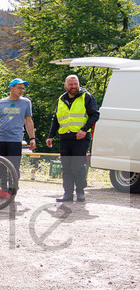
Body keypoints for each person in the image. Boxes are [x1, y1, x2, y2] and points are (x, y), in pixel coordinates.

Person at [46, 74, 100, 203]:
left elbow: (95, 115)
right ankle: (68, 194)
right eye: (70, 84)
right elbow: (56, 119)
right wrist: (50, 136)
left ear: (79, 84)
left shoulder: (87, 97)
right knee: (66, 167)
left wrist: (84, 129)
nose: (73, 87)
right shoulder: (61, 99)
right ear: (65, 86)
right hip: (65, 137)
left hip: (80, 137)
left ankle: (80, 192)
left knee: (77, 166)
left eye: (75, 84)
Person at [0, 78, 36, 200]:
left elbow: (28, 121)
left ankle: (12, 193)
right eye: (19, 87)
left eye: (23, 88)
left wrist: (32, 138)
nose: (22, 90)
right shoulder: (0, 103)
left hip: (15, 139)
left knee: (14, 167)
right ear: (11, 88)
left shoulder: (26, 103)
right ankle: (3, 190)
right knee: (0, 167)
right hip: (0, 138)